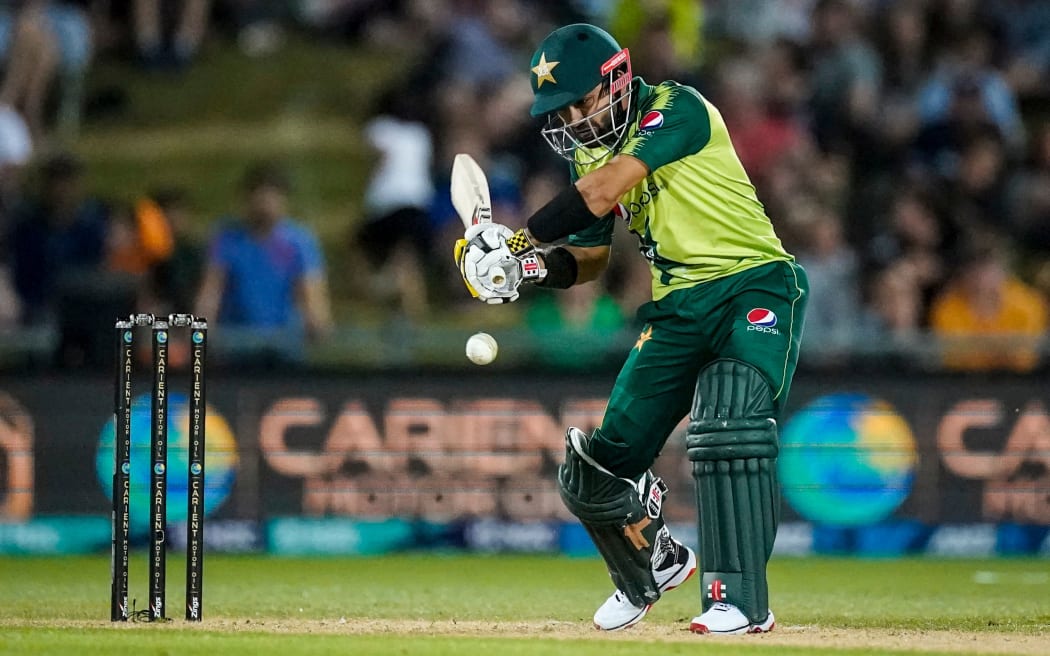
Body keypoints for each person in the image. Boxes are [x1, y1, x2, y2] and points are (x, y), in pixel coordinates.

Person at [455, 24, 808, 634]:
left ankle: (740, 601)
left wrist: (512, 238)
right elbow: (589, 262)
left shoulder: (679, 108)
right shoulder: (590, 153)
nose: (569, 119)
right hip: (676, 308)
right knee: (595, 467)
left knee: (727, 420)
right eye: (558, 110)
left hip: (753, 282)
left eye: (577, 102)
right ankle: (654, 564)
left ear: (615, 79)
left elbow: (605, 189)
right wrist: (524, 267)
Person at [195, 161, 333, 365]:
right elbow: (212, 289)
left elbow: (311, 291)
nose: (266, 205)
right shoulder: (228, 239)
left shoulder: (298, 242)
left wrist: (318, 322)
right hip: (237, 344)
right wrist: (202, 328)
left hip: (284, 344)